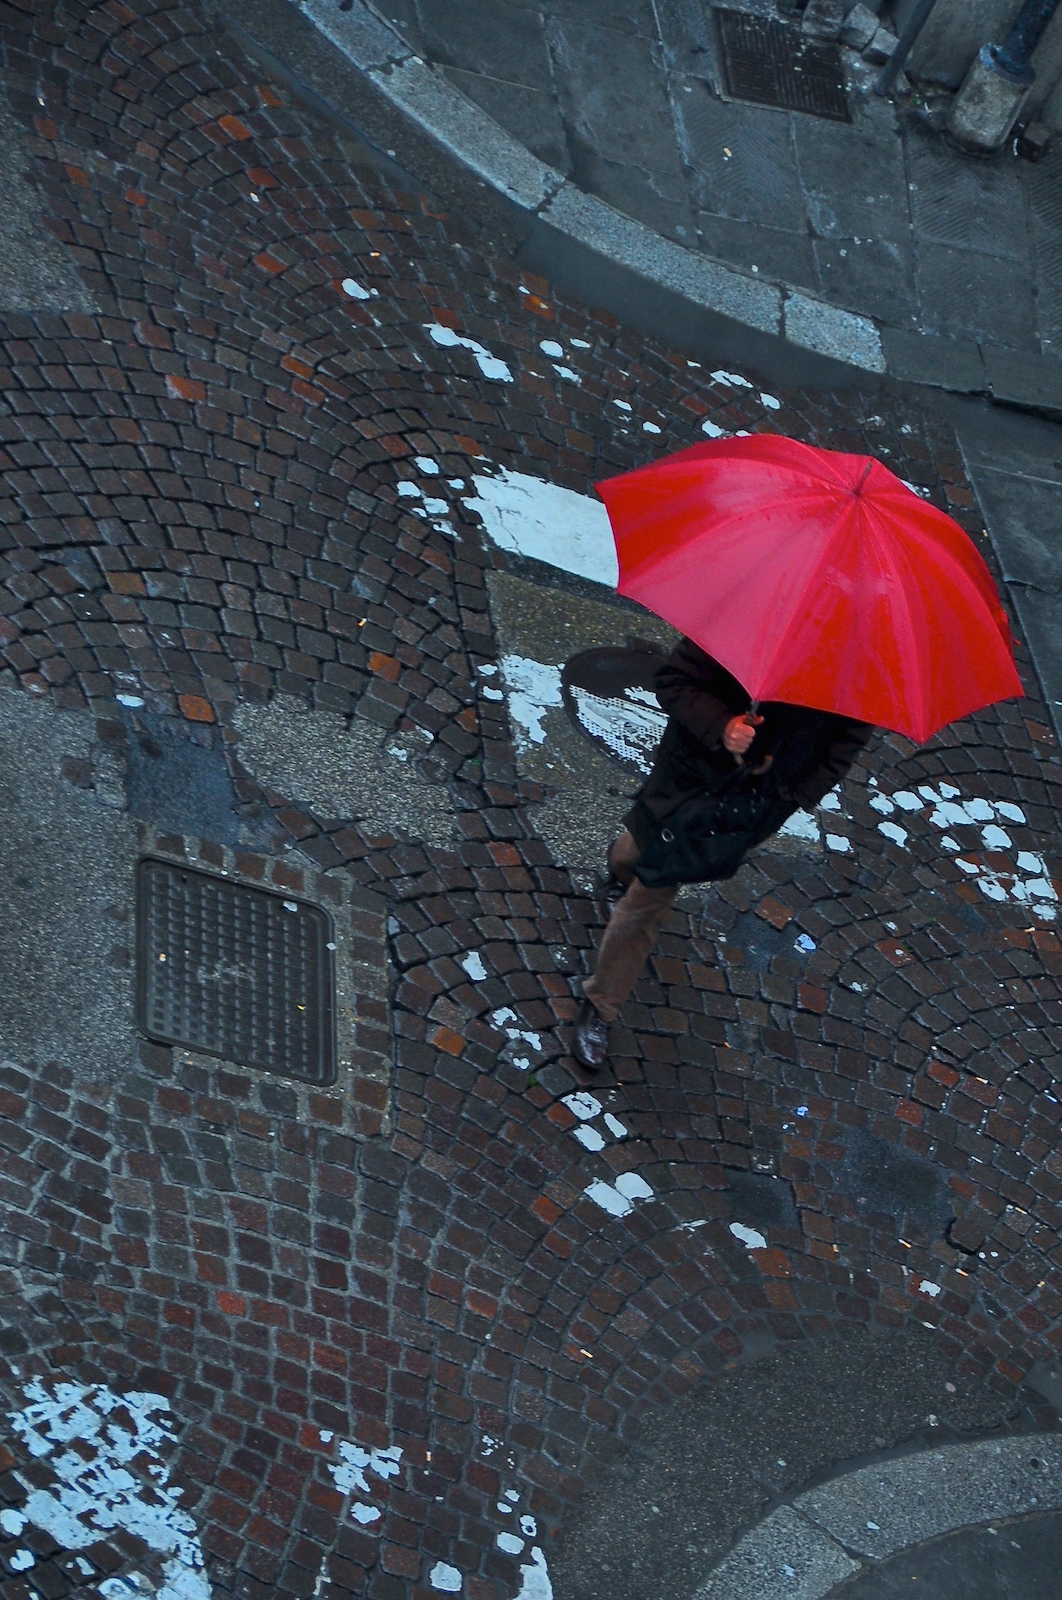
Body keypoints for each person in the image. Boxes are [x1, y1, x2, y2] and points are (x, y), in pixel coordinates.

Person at [572, 637, 872, 1070]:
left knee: (643, 857)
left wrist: (794, 793)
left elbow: (848, 738)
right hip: (690, 777)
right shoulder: (753, 616)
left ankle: (622, 867)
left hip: (755, 802)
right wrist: (723, 727)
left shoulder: (862, 664)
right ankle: (601, 1005)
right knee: (651, 891)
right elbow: (674, 680)